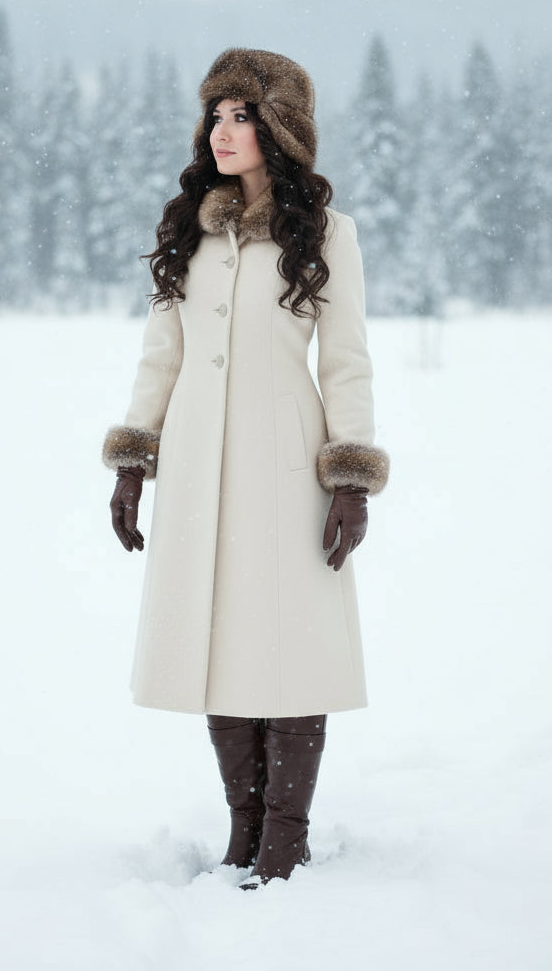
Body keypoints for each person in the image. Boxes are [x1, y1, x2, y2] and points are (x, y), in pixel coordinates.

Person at [102, 47, 389, 887]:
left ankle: (285, 837)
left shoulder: (328, 234)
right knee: (218, 640)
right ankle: (245, 831)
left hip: (287, 466)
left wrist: (350, 481)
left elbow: (347, 363)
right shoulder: (190, 229)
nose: (221, 132)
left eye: (241, 116)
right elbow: (162, 354)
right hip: (198, 466)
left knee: (291, 641)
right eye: (215, 116)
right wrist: (133, 462)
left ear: (280, 130)